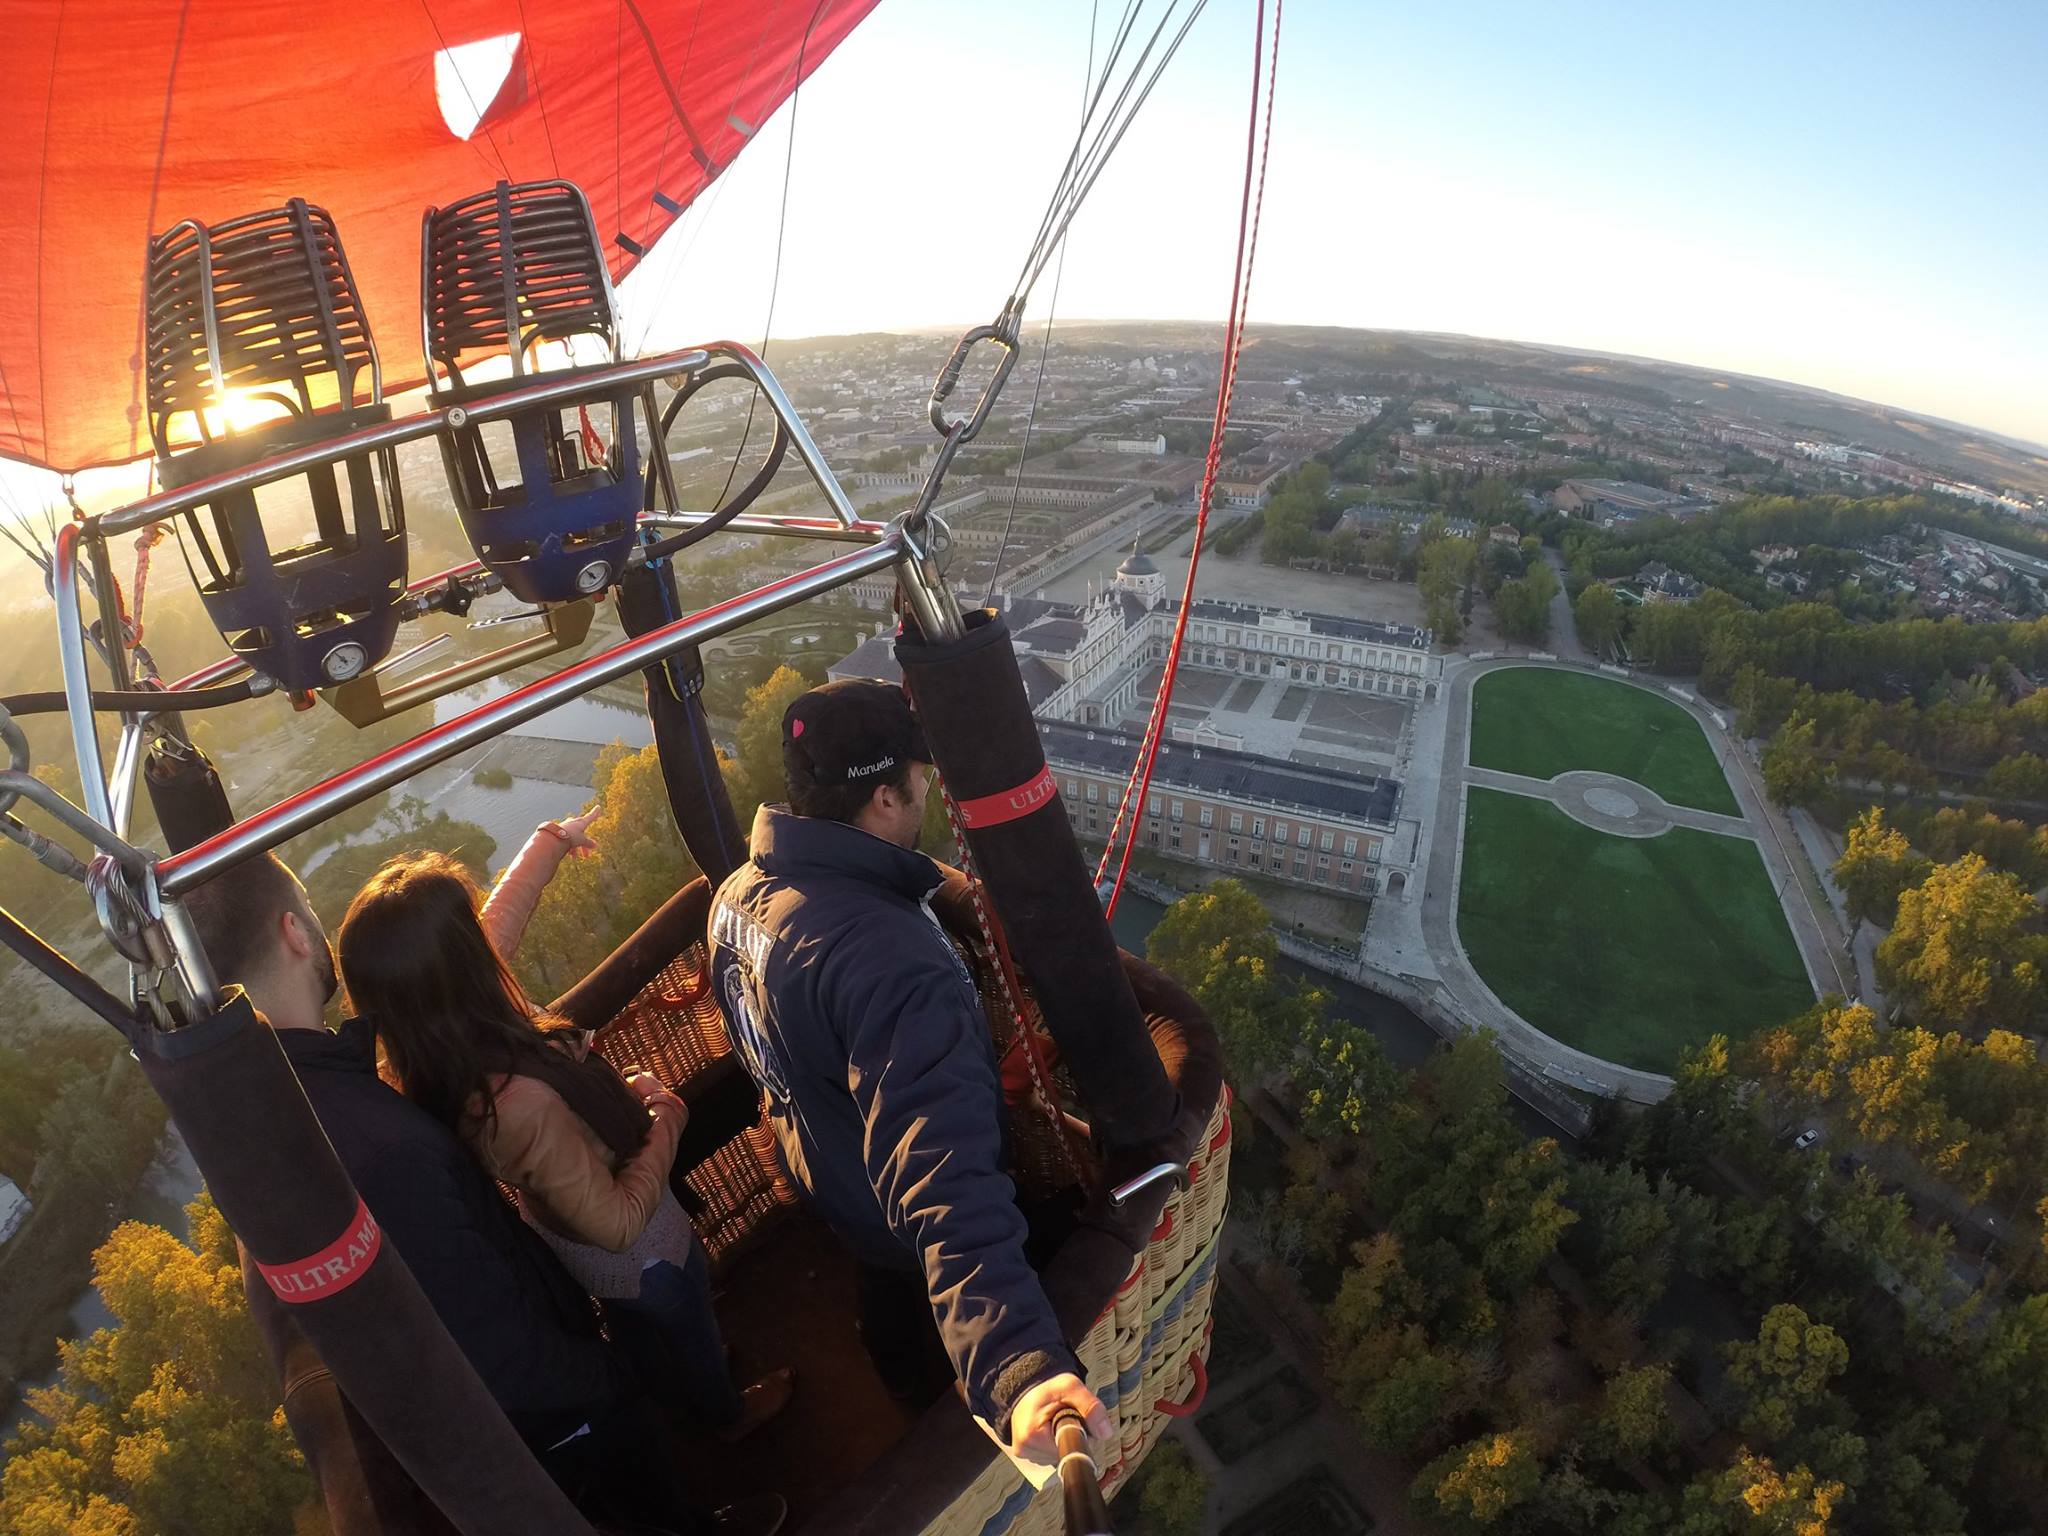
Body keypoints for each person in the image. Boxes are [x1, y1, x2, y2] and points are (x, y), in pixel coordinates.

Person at [182, 852, 784, 1536]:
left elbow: (467, 946)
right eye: (313, 917)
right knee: (649, 1499)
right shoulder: (379, 1143)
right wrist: (605, 1376)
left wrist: (549, 845)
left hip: (563, 1350)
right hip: (567, 1390)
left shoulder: (340, 1087)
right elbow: (500, 1334)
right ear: (294, 933)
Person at [707, 677, 1112, 1462]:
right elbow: (944, 1174)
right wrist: (1017, 1361)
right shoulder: (891, 959)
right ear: (886, 799)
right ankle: (931, 1392)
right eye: (921, 778)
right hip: (882, 1197)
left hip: (823, 1168)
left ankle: (897, 1369)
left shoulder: (739, 892)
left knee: (885, 1285)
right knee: (929, 1263)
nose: (929, 789)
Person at [338, 840, 792, 1443]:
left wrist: (548, 844)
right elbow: (619, 1222)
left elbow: (498, 920)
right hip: (641, 1255)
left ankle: (673, 1384)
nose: (486, 939)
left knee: (641, 1333)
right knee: (691, 1326)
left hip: (588, 1254)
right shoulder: (515, 1103)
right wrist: (666, 1116)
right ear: (463, 966)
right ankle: (724, 1416)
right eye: (471, 938)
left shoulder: (444, 1044)